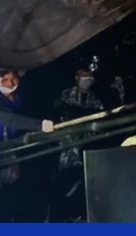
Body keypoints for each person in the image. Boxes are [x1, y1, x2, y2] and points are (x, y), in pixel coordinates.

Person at [0, 70, 55, 223]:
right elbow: (10, 119)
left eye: (13, 79)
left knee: (7, 194)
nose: (10, 83)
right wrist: (39, 124)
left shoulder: (18, 98)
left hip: (8, 153)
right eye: (5, 79)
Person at [50, 69, 105, 222]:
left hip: (88, 147)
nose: (87, 79)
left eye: (90, 76)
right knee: (64, 180)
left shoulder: (95, 98)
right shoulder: (65, 96)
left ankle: (80, 214)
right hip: (67, 148)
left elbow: (100, 122)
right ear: (77, 78)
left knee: (85, 181)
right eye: (84, 76)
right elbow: (55, 119)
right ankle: (58, 215)